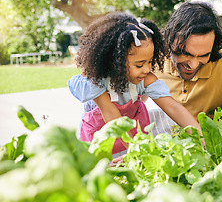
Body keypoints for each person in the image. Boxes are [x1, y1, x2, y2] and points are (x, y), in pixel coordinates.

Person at [67, 12, 202, 158]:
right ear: (116, 61)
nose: (147, 69)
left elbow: (172, 107)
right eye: (139, 65)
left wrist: (200, 137)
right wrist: (135, 151)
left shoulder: (146, 79)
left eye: (150, 61)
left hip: (133, 138)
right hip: (102, 139)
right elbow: (111, 115)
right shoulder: (96, 82)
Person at [154, 1, 222, 141]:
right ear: (170, 39)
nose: (193, 65)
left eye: (203, 55)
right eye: (185, 53)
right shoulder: (153, 61)